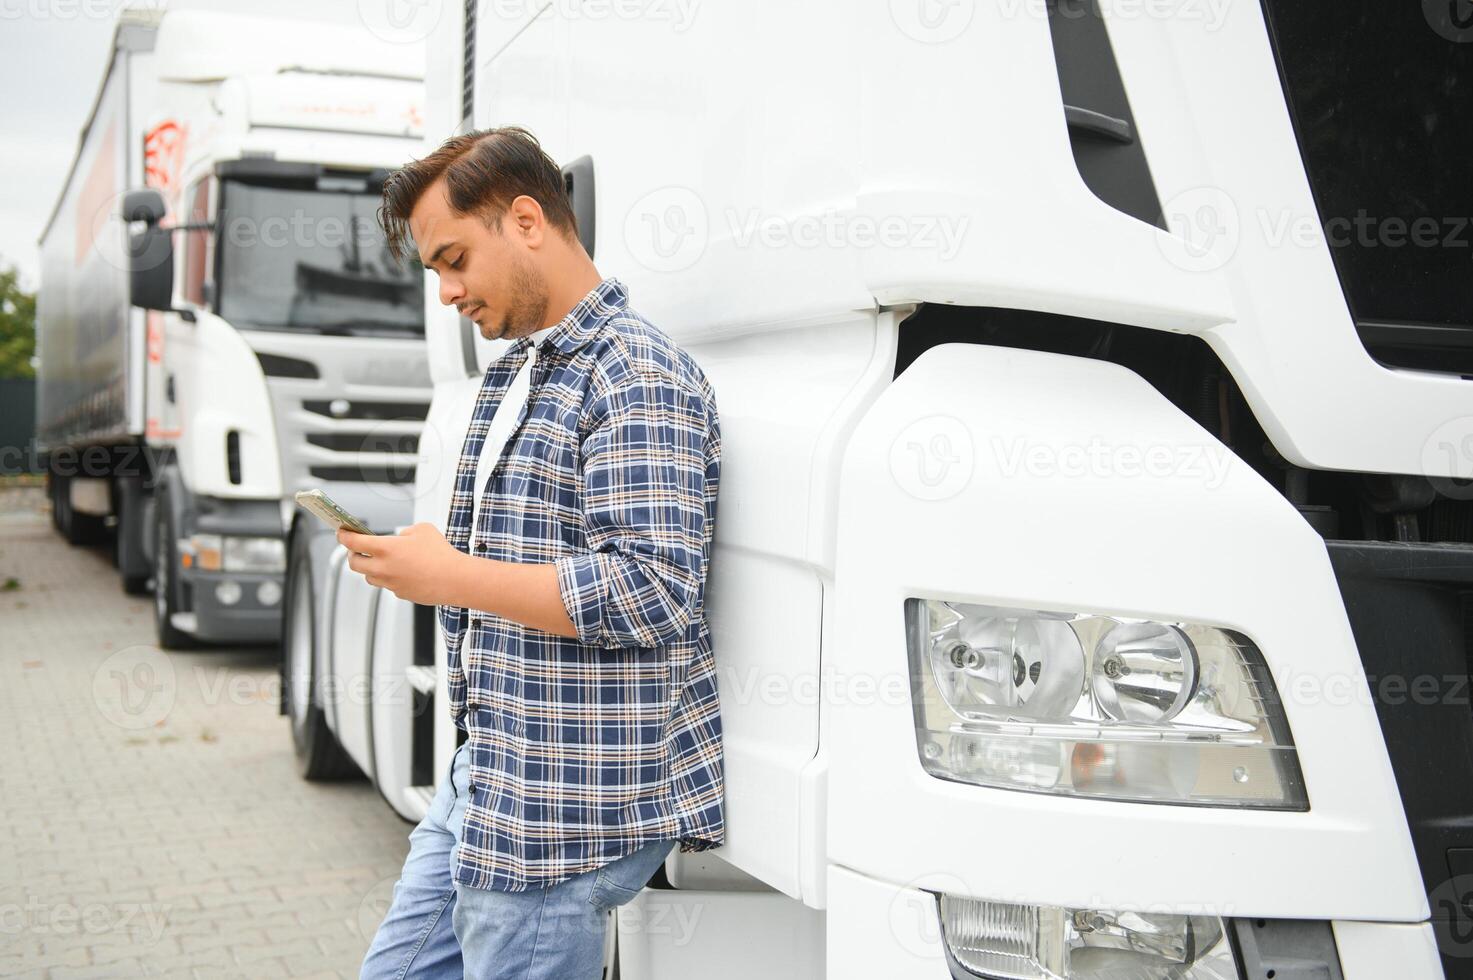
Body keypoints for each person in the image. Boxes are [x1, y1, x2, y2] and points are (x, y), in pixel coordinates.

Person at [341, 126, 725, 980]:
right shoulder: (528, 367)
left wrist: (448, 575)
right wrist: (435, 557)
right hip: (492, 776)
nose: (445, 292)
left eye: (453, 259)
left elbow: (650, 590)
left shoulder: (635, 373)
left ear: (524, 220)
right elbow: (529, 557)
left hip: (559, 818)